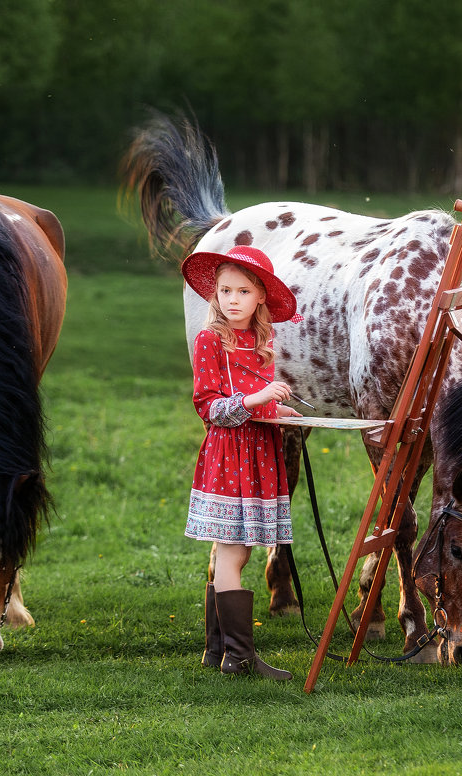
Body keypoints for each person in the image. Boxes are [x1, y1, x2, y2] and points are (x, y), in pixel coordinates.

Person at [181, 245, 301, 680]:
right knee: (233, 554)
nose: (231, 299)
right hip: (231, 456)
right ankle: (240, 657)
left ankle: (218, 652)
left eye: (242, 291)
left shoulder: (261, 341)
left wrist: (277, 411)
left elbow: (252, 403)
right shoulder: (211, 339)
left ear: (260, 297)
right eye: (225, 290)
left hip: (260, 455)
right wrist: (259, 399)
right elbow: (209, 407)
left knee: (240, 552)